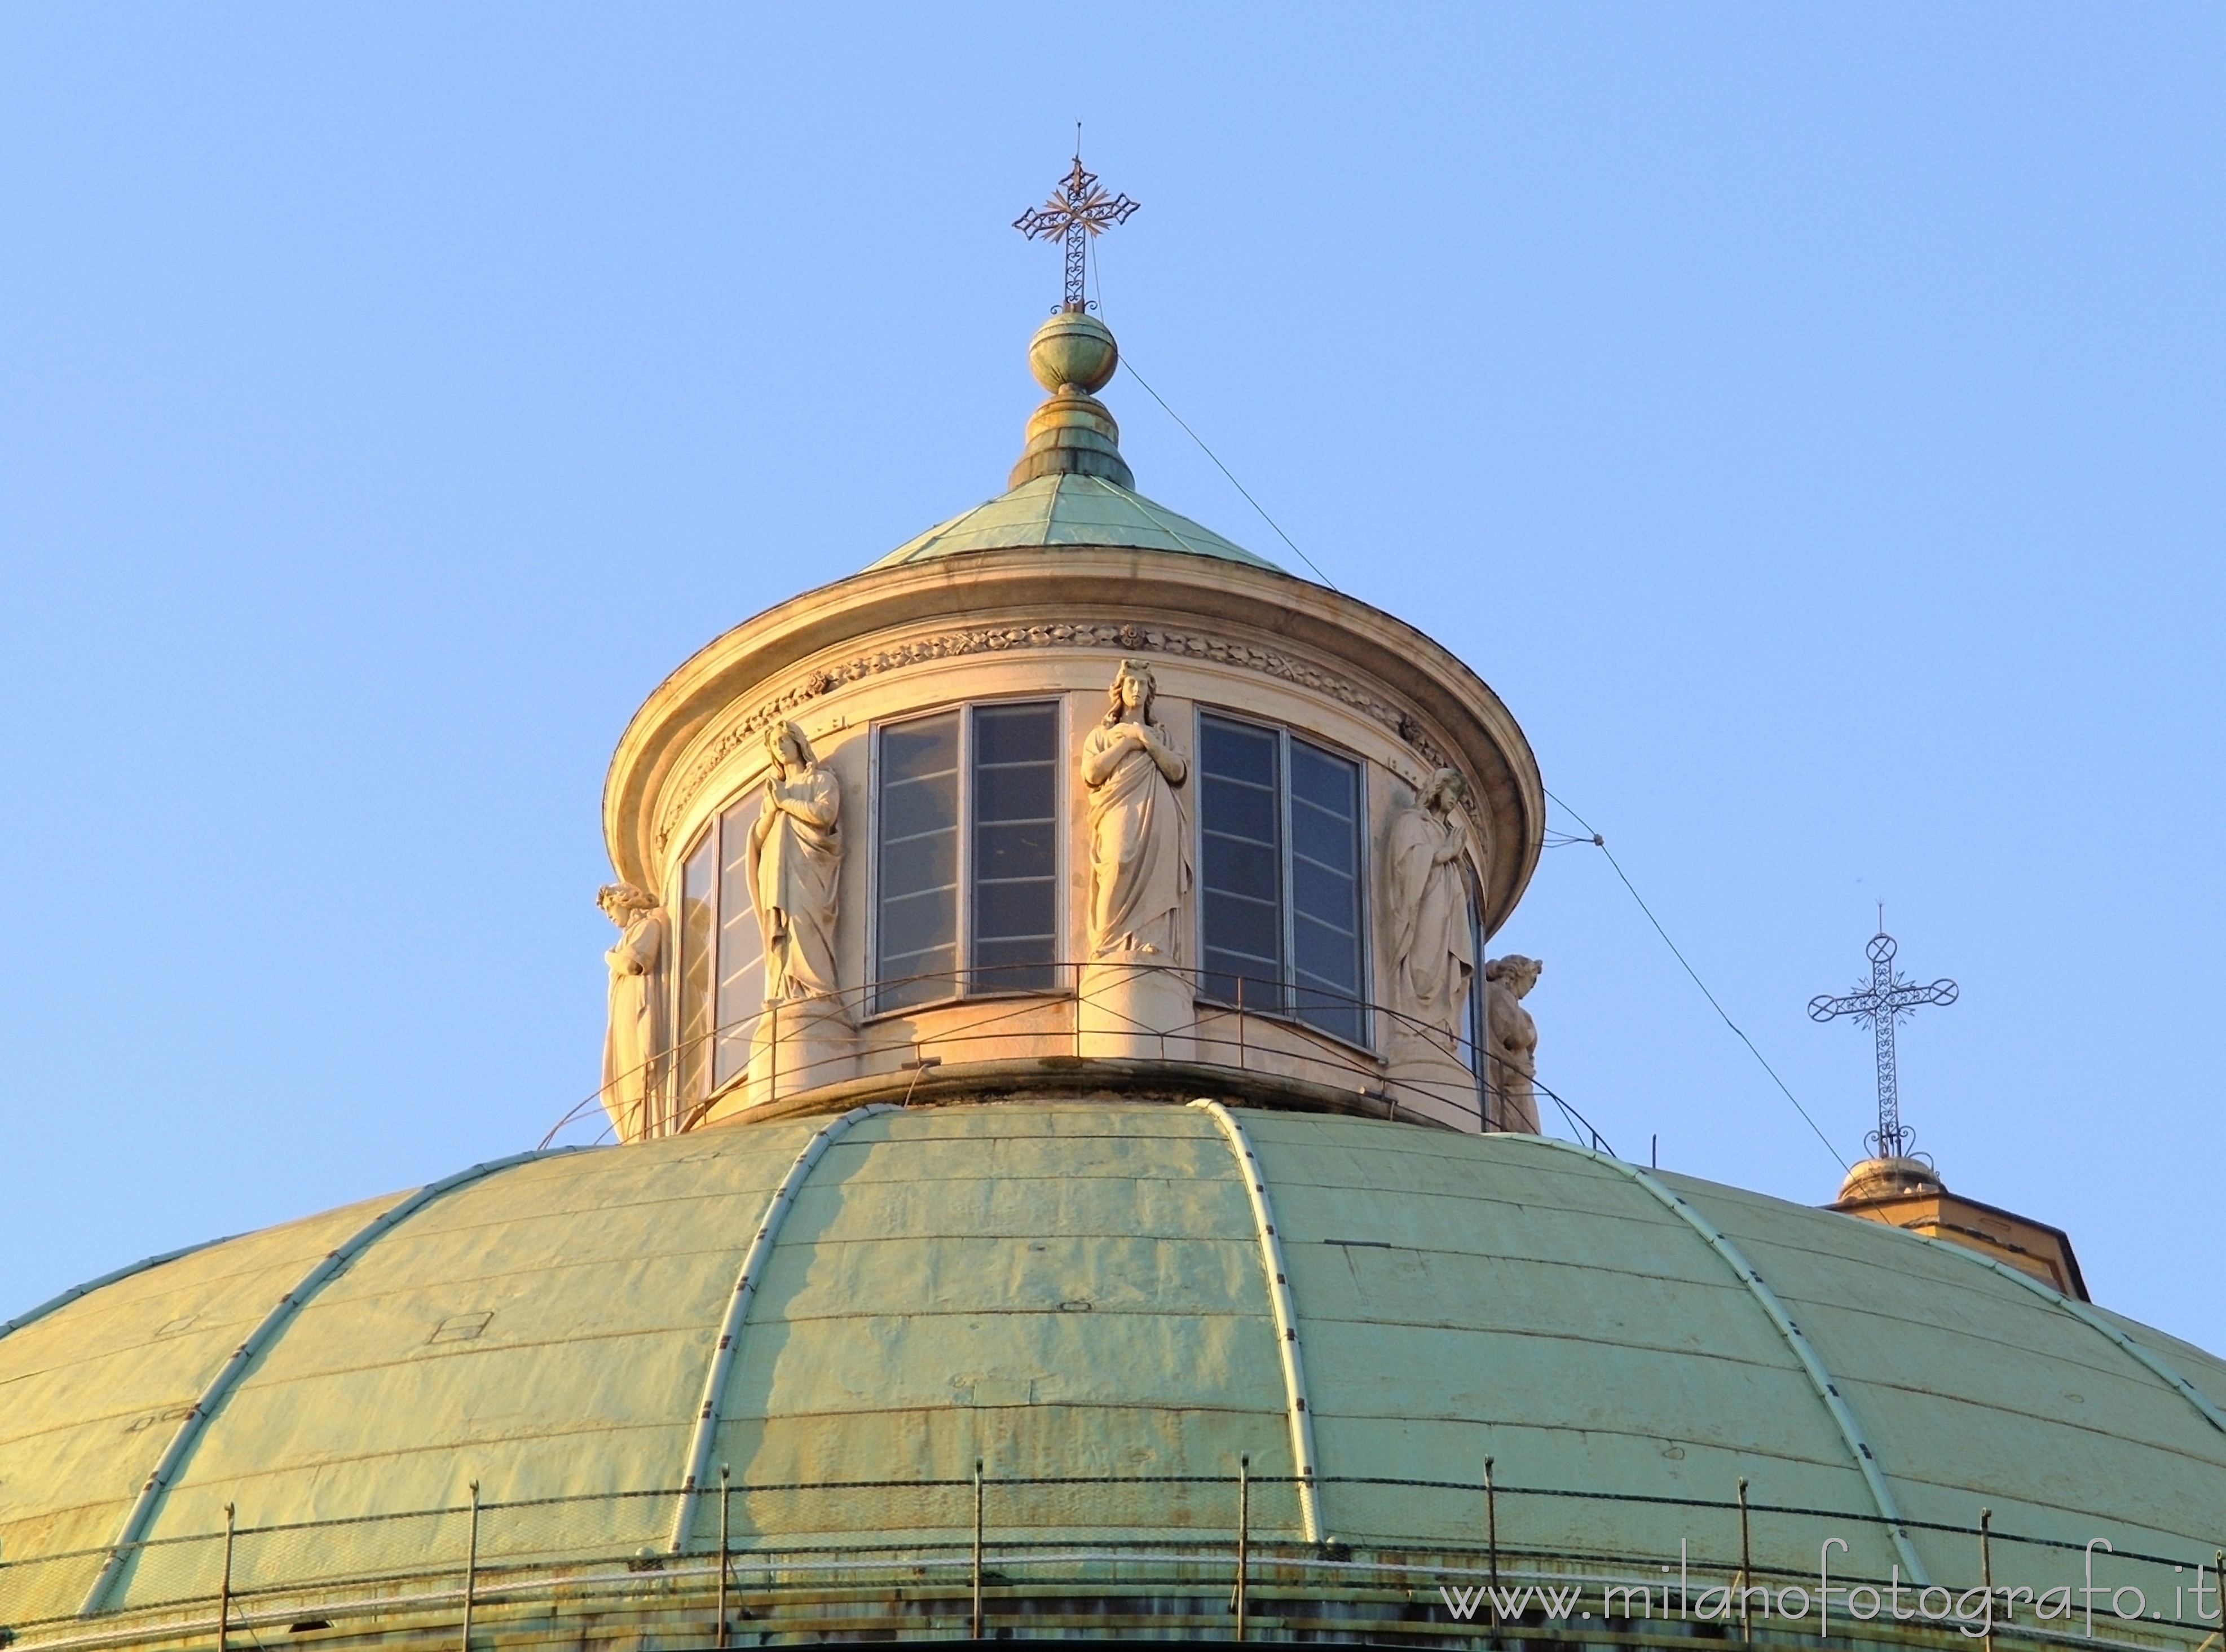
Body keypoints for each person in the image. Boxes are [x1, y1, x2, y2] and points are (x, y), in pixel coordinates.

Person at [1079, 659, 1190, 959]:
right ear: (1120, 689)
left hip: (1158, 808)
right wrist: (1128, 744)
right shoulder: (1102, 736)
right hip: (1119, 805)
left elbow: (1178, 771)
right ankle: (1109, 944)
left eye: (1142, 684)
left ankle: (1152, 942)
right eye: (1131, 683)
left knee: (1158, 872)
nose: (1137, 689)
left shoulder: (1162, 737)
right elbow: (1092, 774)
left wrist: (1146, 739)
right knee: (1116, 861)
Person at [747, 720, 845, 1010]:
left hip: (809, 863)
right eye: (774, 745)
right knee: (785, 929)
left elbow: (825, 815)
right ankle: (788, 989)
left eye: (783, 741)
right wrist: (775, 806)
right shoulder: (775, 791)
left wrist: (786, 802)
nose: (779, 748)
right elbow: (759, 837)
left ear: (798, 743)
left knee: (806, 922)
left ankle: (816, 990)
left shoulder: (820, 780)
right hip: (776, 869)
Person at [1386, 768, 1476, 1054]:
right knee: (1423, 962)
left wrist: (1457, 859)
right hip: (1425, 900)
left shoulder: (1447, 832)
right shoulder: (1413, 821)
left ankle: (1438, 1028)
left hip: (1448, 905)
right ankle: (1414, 1022)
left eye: (1459, 797)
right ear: (1438, 789)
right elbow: (1405, 862)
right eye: (1452, 793)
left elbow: (1465, 889)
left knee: (1443, 965)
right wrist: (1442, 854)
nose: (1453, 801)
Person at [597, 882, 667, 1139]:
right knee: (616, 1087)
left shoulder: (648, 926)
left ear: (625, 901)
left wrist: (608, 956)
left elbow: (634, 963)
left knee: (639, 1077)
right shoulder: (628, 937)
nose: (610, 914)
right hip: (625, 1009)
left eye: (611, 907)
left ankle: (647, 1129)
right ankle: (636, 1130)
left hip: (638, 1006)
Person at [1486, 954, 1545, 1134]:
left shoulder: (1494, 993)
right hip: (1512, 1084)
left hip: (1509, 1078)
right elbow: (1515, 1036)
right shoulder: (1501, 995)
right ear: (1517, 975)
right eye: (1531, 982)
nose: (1530, 989)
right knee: (1528, 1136)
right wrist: (1530, 1031)